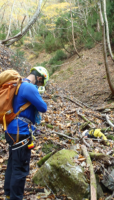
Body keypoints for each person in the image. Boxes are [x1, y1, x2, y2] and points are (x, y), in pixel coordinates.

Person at [4, 66, 49, 200]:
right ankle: (15, 198)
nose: (39, 85)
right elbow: (43, 107)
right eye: (41, 83)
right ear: (39, 78)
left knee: (13, 164)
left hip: (12, 130)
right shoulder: (29, 87)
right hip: (21, 132)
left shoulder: (19, 84)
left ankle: (8, 194)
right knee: (20, 168)